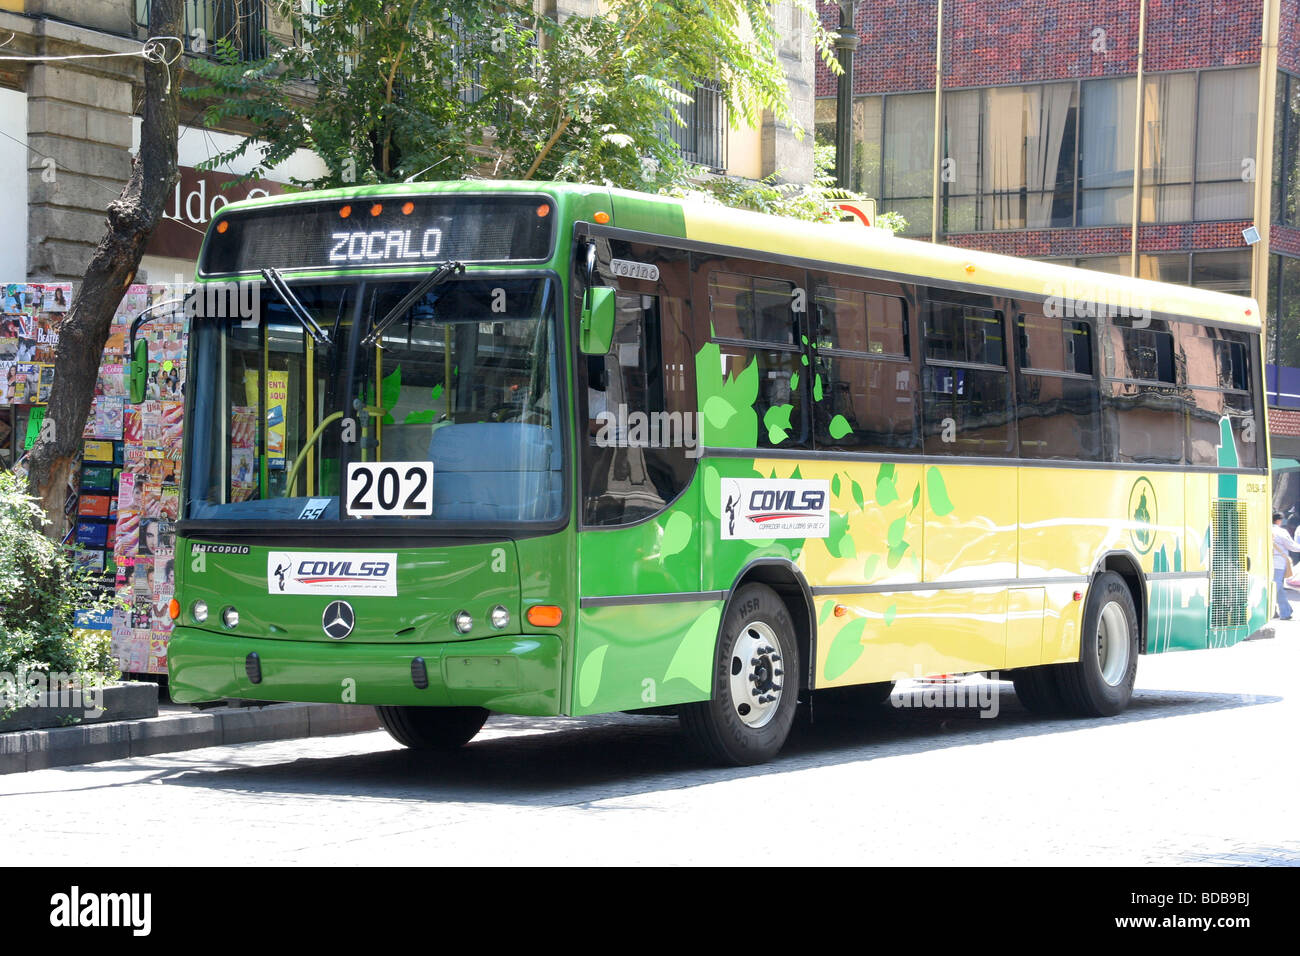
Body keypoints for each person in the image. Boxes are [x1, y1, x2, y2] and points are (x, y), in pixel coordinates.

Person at [1272, 512, 1300, 620]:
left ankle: (1284, 610)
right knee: (1277, 587)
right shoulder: (1280, 531)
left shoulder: (1264, 530)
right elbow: (1291, 546)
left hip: (1265, 562)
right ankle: (1284, 611)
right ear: (1279, 520)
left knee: (1275, 586)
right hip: (1278, 562)